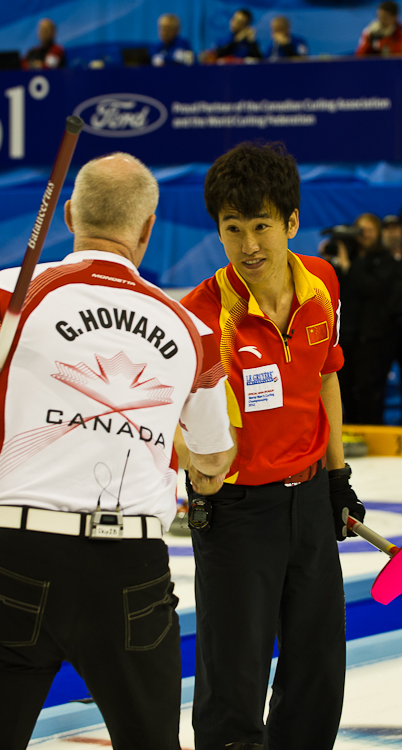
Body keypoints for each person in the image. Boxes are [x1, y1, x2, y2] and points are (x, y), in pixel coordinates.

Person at [0, 153, 235, 750]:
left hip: (15, 552)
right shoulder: (189, 328)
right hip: (131, 572)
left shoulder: (7, 295)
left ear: (70, 215)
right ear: (147, 228)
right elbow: (215, 458)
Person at [175, 141, 365, 750]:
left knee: (317, 673)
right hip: (237, 514)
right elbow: (170, 419)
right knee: (234, 682)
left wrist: (337, 477)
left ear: (292, 222)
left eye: (262, 226)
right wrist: (194, 464)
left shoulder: (323, 284)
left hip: (309, 499)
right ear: (219, 231)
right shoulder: (203, 316)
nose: (249, 244)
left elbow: (326, 376)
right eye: (233, 229)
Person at [325, 213, 397, 424]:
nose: (364, 235)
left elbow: (373, 288)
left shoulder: (386, 261)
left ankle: (372, 429)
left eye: (369, 230)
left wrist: (348, 265)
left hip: (372, 337)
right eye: (360, 230)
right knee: (344, 387)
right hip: (347, 334)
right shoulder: (349, 257)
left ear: (378, 233)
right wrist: (333, 259)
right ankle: (350, 429)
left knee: (369, 388)